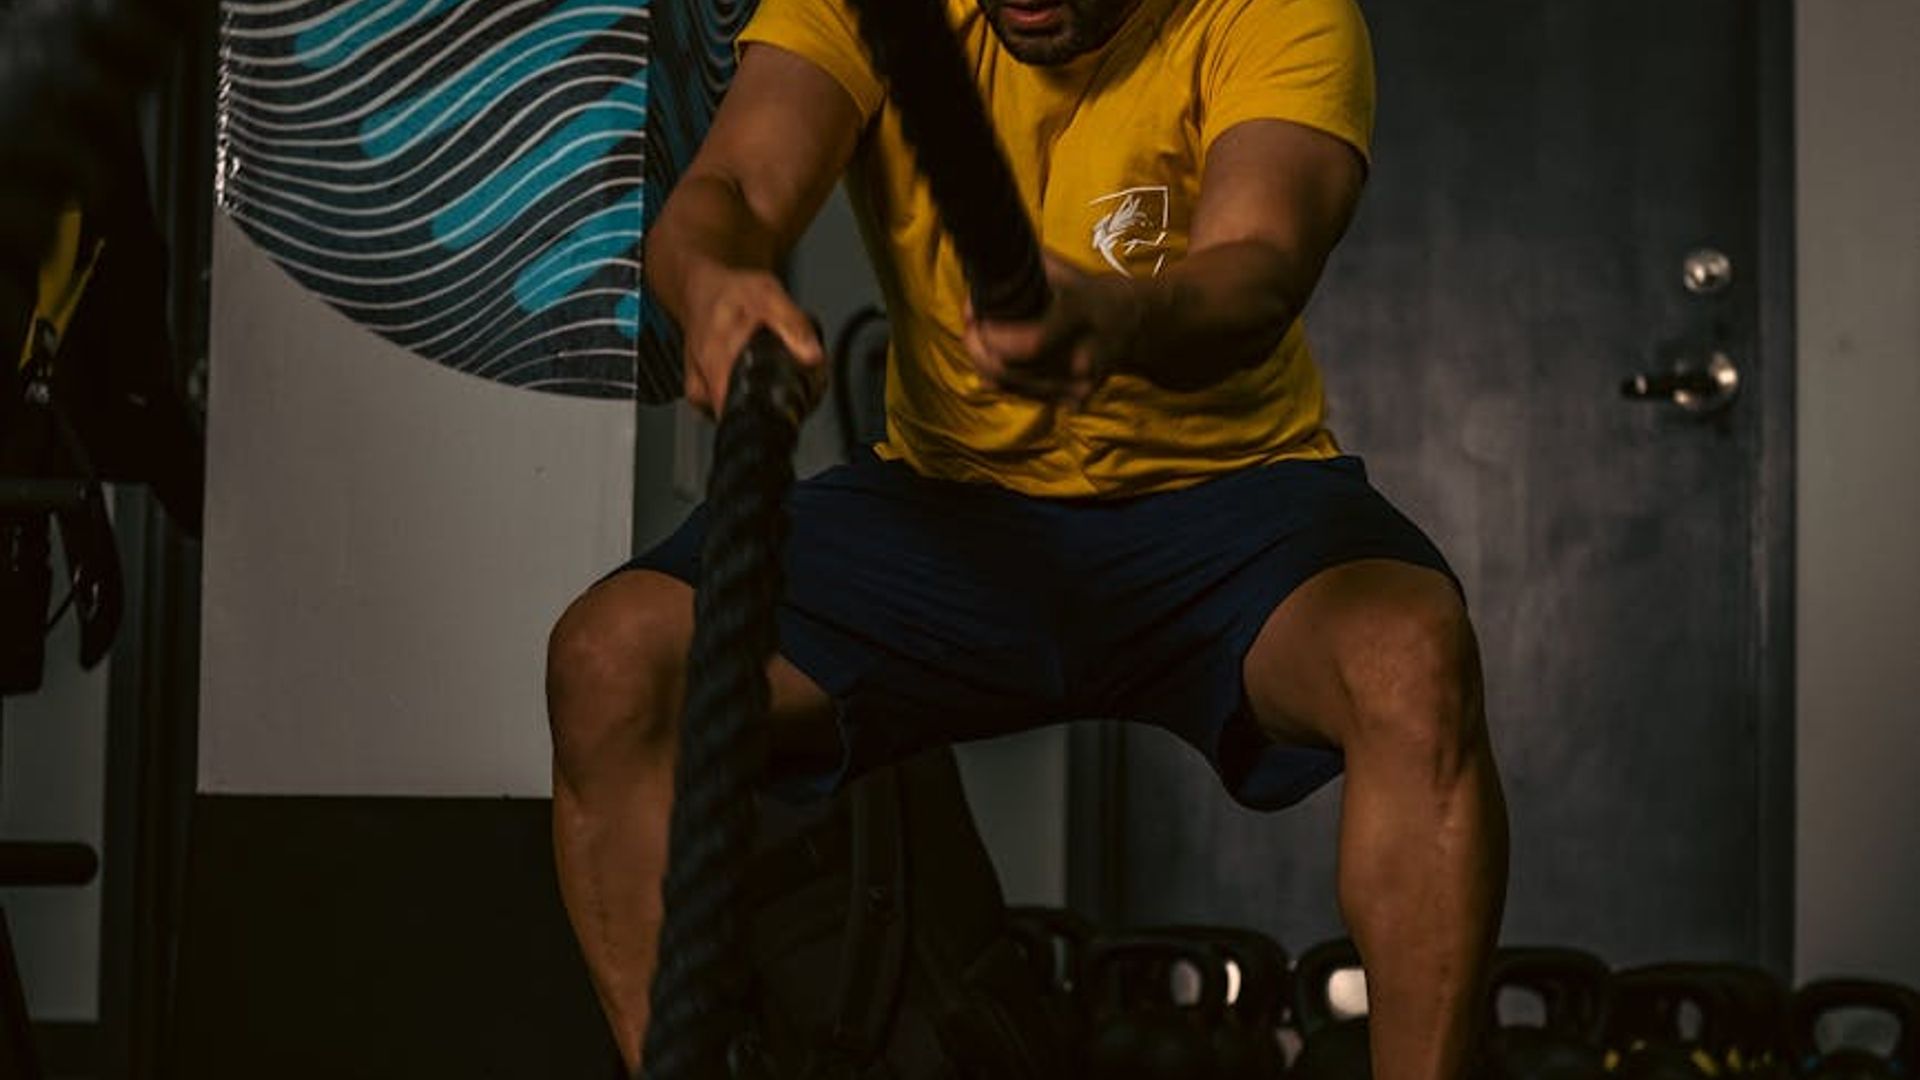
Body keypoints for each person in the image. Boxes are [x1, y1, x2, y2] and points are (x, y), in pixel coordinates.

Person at [546, 0, 1509, 1073]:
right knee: (610, 660)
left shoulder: (1278, 13)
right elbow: (725, 192)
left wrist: (1112, 321)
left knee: (1410, 654)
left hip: (1226, 510)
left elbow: (1259, 268)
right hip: (947, 513)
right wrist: (718, 281)